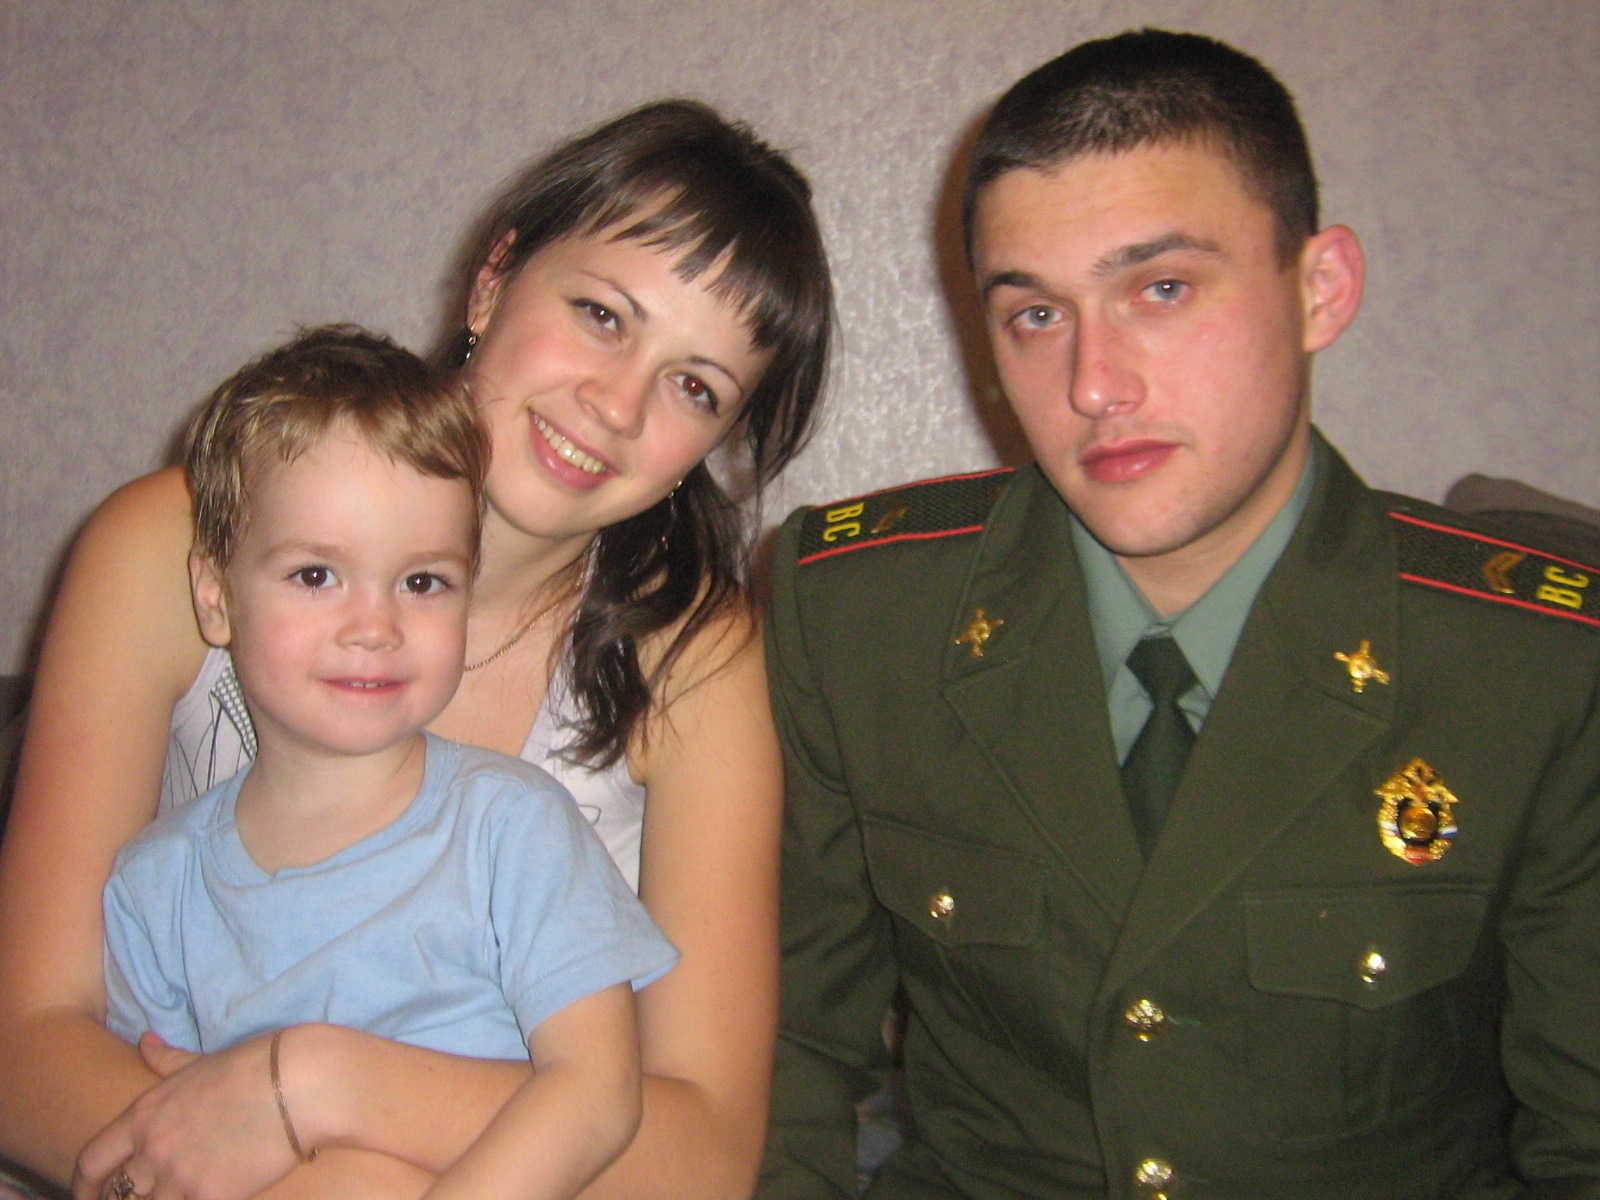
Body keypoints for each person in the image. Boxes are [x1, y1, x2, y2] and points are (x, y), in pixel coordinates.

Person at [760, 28, 1600, 1200]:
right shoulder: (857, 615)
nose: (1093, 384)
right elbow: (786, 1056)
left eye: (1159, 290)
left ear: (1318, 290)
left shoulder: (1535, 665)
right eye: (1034, 315)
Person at [0, 99, 830, 1200]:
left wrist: (328, 1089)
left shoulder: (694, 665)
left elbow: (704, 1155)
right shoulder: (170, 544)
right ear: (493, 281)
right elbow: (26, 1039)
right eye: (601, 315)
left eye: (694, 387)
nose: (617, 405)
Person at [92, 326, 679, 1200]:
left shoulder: (515, 828)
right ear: (216, 596)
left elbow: (598, 1095)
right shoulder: (155, 886)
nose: (375, 626)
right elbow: (165, 1139)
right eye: (315, 576)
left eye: (422, 582)